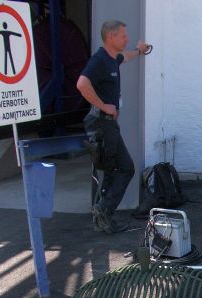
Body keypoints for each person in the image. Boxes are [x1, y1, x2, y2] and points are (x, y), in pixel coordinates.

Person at [76, 20, 150, 233]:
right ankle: (103, 210)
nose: (126, 39)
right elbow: (82, 84)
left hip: (109, 125)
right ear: (111, 37)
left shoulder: (112, 59)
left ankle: (104, 217)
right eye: (123, 36)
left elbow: (124, 57)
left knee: (117, 170)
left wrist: (139, 51)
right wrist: (104, 106)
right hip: (101, 123)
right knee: (123, 168)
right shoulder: (99, 60)